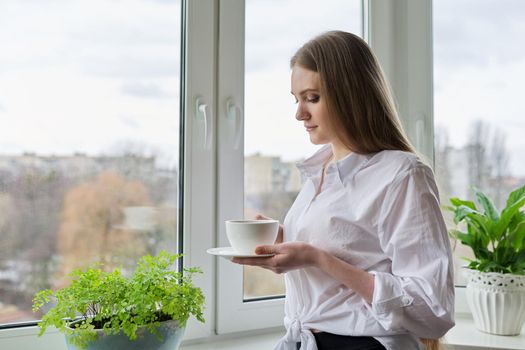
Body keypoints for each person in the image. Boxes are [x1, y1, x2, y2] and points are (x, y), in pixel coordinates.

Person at [232, 31, 455, 350]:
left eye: (312, 98)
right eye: (296, 99)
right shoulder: (317, 171)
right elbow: (345, 248)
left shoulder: (402, 174)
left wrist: (316, 258)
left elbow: (433, 309)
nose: (299, 114)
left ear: (350, 94)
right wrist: (284, 243)